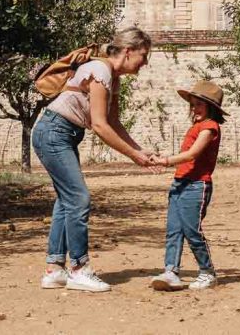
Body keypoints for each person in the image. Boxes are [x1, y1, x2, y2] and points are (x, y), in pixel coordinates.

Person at [33, 27, 160, 293]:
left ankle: (55, 269)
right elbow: (101, 127)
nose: (145, 63)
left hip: (63, 133)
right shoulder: (100, 70)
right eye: (143, 55)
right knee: (79, 199)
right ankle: (79, 269)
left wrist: (140, 149)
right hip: (54, 132)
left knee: (66, 201)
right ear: (128, 51)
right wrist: (134, 156)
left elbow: (113, 122)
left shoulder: (112, 78)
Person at [150, 78, 225, 292]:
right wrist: (164, 159)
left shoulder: (210, 127)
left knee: (192, 231)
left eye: (199, 104)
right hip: (180, 183)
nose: (194, 108)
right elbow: (186, 157)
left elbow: (192, 154)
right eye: (192, 104)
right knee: (173, 230)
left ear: (210, 106)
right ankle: (171, 271)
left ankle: (207, 272)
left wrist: (165, 160)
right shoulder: (197, 126)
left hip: (196, 186)